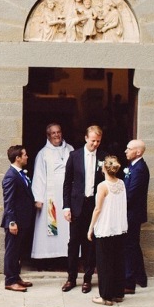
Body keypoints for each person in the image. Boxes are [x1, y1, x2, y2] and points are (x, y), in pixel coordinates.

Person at [61, 125, 107, 293]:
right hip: (76, 205)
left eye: (98, 141)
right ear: (86, 138)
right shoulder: (74, 156)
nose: (95, 144)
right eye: (93, 140)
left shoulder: (103, 157)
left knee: (90, 244)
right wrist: (66, 206)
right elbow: (67, 184)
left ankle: (87, 279)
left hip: (93, 206)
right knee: (73, 243)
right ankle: (71, 278)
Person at [87, 156, 128, 305]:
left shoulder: (103, 186)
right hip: (119, 228)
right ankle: (118, 293)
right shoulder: (121, 183)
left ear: (104, 168)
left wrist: (91, 227)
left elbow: (98, 209)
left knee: (104, 263)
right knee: (118, 261)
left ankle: (105, 296)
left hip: (106, 228)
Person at [31, 123, 74, 263]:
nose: (57, 135)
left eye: (59, 132)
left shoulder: (70, 149)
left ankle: (67, 257)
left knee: (67, 227)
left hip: (67, 197)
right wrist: (38, 198)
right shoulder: (43, 153)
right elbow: (39, 176)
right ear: (48, 136)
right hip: (51, 198)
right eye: (53, 133)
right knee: (50, 228)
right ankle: (48, 259)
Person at [1, 145, 36, 292]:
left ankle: (16, 277)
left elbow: (22, 196)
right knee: (12, 251)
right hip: (15, 221)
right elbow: (8, 201)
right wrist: (12, 222)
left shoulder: (21, 174)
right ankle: (10, 280)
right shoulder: (11, 176)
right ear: (18, 158)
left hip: (24, 219)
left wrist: (33, 203)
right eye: (25, 155)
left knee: (18, 251)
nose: (27, 157)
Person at [123, 139, 150, 293]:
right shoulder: (133, 166)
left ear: (138, 152)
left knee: (129, 247)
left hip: (132, 214)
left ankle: (129, 280)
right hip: (131, 213)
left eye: (129, 149)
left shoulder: (139, 169)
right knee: (133, 245)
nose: (126, 151)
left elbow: (131, 194)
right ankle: (141, 277)